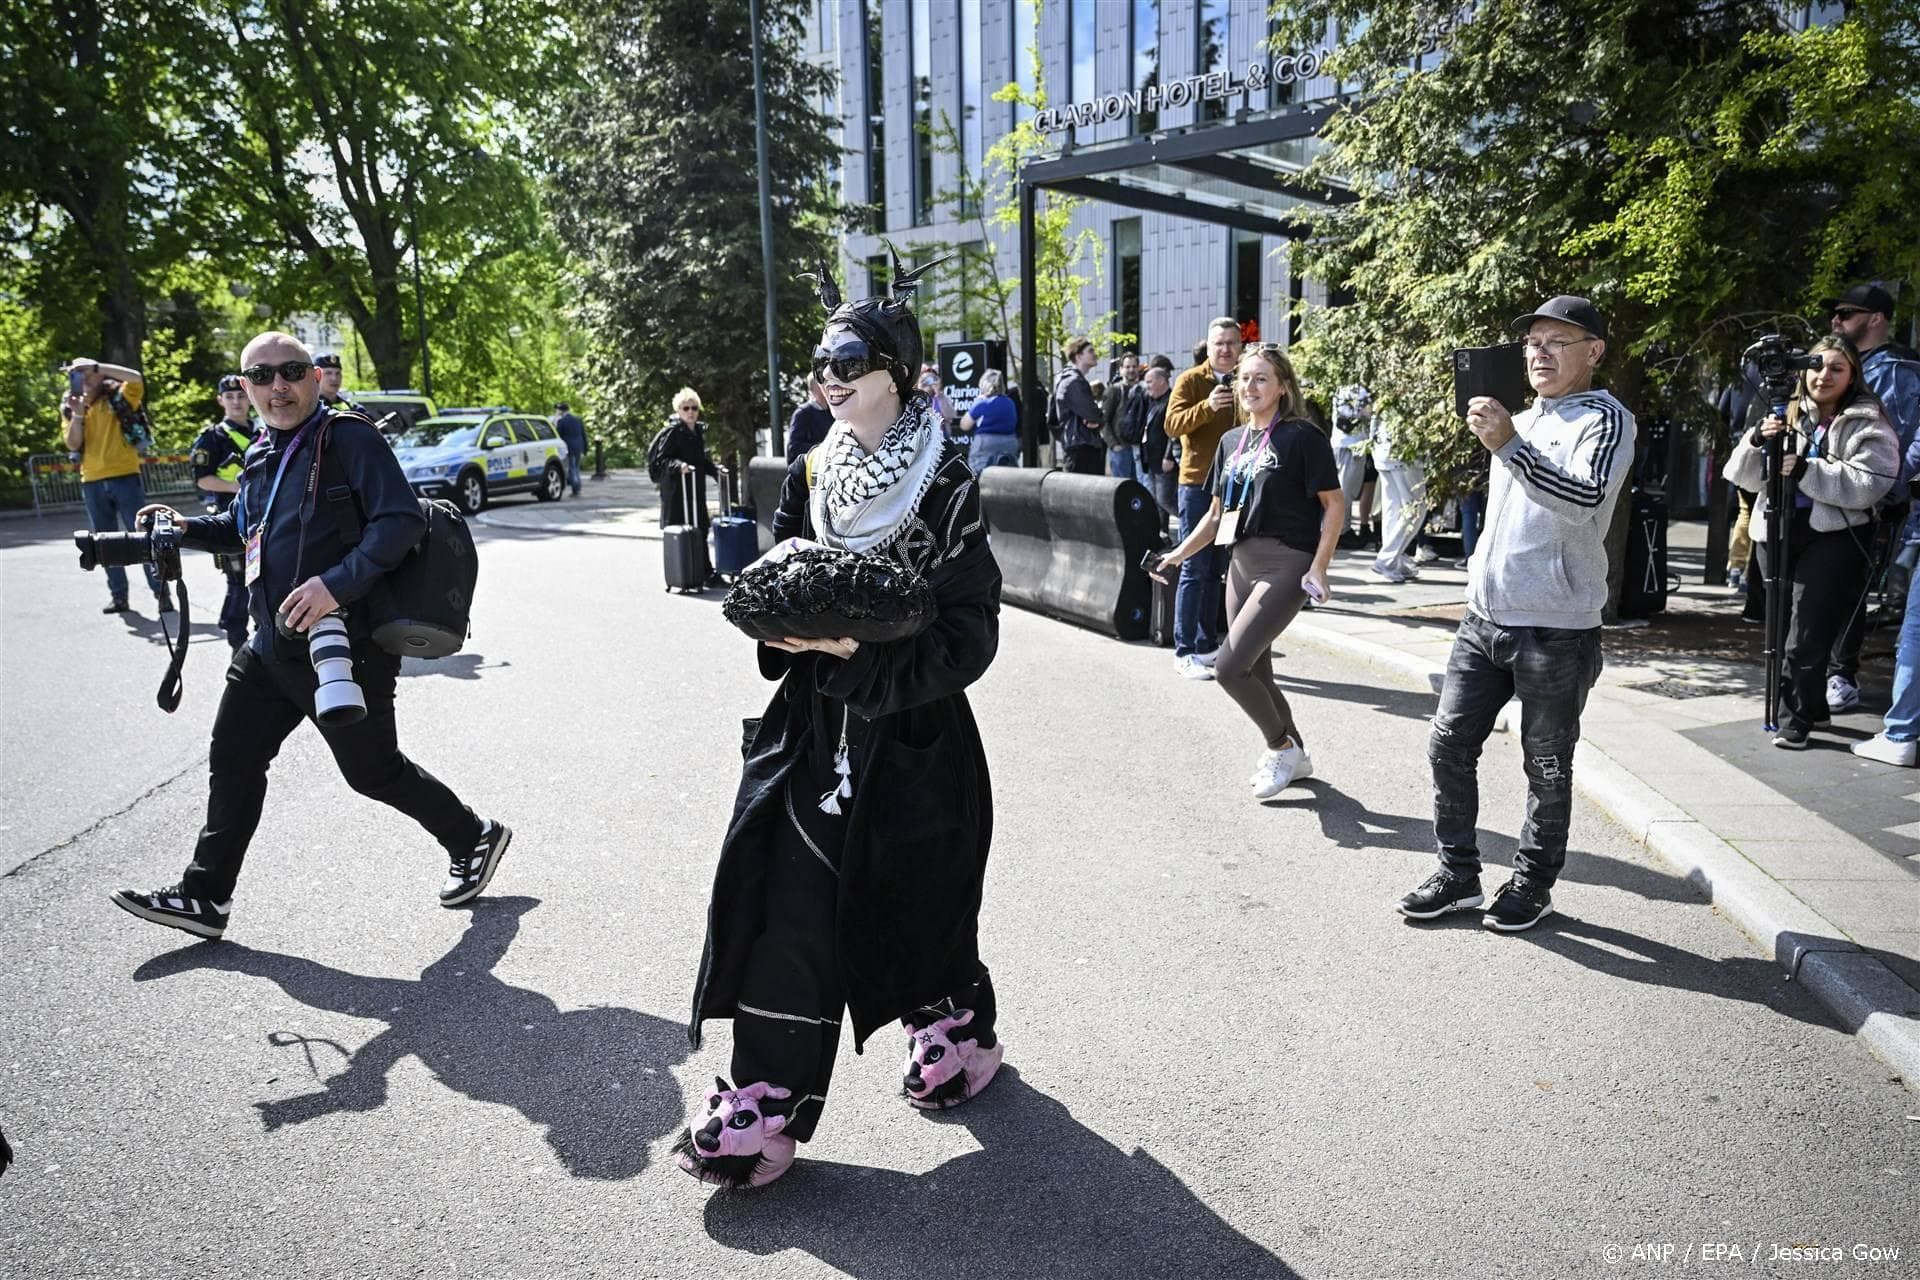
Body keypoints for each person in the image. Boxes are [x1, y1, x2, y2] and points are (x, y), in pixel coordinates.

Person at [679, 255, 1005, 1191]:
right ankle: (767, 1095)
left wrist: (870, 657)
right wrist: (785, 631)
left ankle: (955, 1025)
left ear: (897, 370)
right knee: (786, 890)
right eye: (822, 365)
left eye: (848, 360)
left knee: (919, 892)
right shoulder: (813, 469)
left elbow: (970, 632)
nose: (829, 379)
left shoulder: (947, 480)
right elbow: (775, 580)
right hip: (810, 726)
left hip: (915, 731)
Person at [107, 331, 511, 941]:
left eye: (291, 371)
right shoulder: (262, 453)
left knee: (373, 773)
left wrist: (336, 585)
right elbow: (242, 530)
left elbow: (399, 518)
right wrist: (180, 525)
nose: (278, 386)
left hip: (343, 644)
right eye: (262, 377)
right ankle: (205, 896)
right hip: (270, 643)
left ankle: (473, 835)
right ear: (245, 388)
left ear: (314, 378)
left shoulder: (348, 436)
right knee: (234, 759)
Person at [1397, 295, 1636, 933]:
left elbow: (1583, 498)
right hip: (1485, 619)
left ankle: (1533, 883)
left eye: (1559, 341)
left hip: (1557, 628)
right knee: (1447, 744)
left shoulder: (1607, 420)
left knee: (1547, 764)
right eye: (1534, 342)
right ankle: (1458, 874)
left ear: (1594, 352)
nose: (1540, 352)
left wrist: (1509, 446)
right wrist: (1509, 440)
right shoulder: (1522, 418)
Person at [1151, 345, 1344, 798]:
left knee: (1229, 667)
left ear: (1282, 387)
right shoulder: (1230, 441)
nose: (1250, 386)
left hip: (1287, 562)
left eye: (1261, 378)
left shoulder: (1302, 436)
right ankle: (1296, 753)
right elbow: (1217, 516)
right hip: (1240, 561)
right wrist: (1176, 554)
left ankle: (1279, 746)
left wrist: (1320, 566)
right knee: (1258, 672)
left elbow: (1334, 505)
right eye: (1244, 379)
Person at [1724, 334, 1899, 749]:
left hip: (1834, 536)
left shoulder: (1867, 419)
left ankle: (1794, 721)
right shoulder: (1783, 410)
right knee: (1781, 627)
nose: (1824, 376)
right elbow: (1743, 476)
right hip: (1779, 527)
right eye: (1818, 367)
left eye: (1837, 368)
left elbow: (1869, 484)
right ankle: (1813, 706)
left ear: (1853, 374)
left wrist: (1806, 471)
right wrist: (1756, 443)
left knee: (1805, 633)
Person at [1823, 285, 1920, 713]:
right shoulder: (1853, 365)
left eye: (1846, 313)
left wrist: (1888, 487)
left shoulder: (1895, 369)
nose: (1836, 321)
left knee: (1853, 588)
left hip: (1871, 499)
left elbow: (1904, 440)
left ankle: (1840, 675)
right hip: (1836, 491)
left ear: (1875, 318)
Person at [1164, 318, 1247, 679]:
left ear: (1240, 346)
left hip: (1236, 484)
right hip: (1198, 484)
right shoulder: (1191, 380)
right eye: (1219, 343)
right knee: (1194, 567)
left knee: (1216, 569)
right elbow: (1171, 424)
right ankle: (1183, 651)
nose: (1225, 349)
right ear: (1208, 347)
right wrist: (1207, 407)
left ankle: (1205, 643)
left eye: (1231, 343)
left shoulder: (1248, 379)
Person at [61, 357, 169, 615]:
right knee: (104, 542)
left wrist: (96, 367)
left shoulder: (120, 396)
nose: (84, 379)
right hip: (92, 480)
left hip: (125, 476)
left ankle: (161, 593)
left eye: (87, 374)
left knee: (143, 536)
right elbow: (73, 444)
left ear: (99, 374)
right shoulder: (71, 405)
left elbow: (136, 377)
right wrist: (77, 414)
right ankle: (119, 597)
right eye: (78, 375)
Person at [189, 374, 258, 650]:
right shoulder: (212, 438)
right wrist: (238, 487)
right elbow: (202, 479)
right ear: (221, 401)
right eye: (229, 397)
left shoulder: (262, 431)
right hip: (231, 520)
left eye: (241, 396)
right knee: (239, 583)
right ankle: (236, 641)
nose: (236, 402)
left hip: (263, 518)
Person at [1370, 403, 1428, 583]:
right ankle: (1388, 558)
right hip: (1403, 452)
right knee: (1416, 507)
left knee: (1393, 509)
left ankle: (1393, 560)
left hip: (1383, 448)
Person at [648, 388, 717, 528]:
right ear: (678, 410)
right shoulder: (673, 431)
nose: (690, 412)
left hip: (695, 490)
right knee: (682, 537)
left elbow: (699, 460)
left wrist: (715, 470)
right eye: (686, 408)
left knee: (701, 530)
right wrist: (679, 466)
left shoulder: (697, 431)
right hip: (678, 493)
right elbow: (663, 460)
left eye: (694, 408)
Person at [1050, 339, 1105, 475]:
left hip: (1076, 444)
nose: (1095, 354)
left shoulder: (1064, 379)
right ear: (1078, 356)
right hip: (1082, 447)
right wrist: (1099, 419)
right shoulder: (1074, 381)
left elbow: (1052, 419)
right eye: (1090, 351)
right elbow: (1092, 413)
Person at [1329, 384, 1375, 548]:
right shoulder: (1355, 390)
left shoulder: (1342, 388)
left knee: (1346, 489)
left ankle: (1342, 530)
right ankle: (1341, 532)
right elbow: (1352, 418)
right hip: (1351, 446)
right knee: (1347, 491)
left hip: (1346, 445)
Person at [958, 368, 1020, 471]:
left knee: (977, 475)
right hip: (1010, 442)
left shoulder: (982, 403)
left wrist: (975, 402)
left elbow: (964, 425)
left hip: (986, 442)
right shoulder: (1010, 402)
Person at [1138, 359, 1177, 517]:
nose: (1146, 386)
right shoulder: (1152, 400)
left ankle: (1193, 526)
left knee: (1165, 499)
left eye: (1149, 382)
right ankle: (1163, 535)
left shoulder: (1171, 400)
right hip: (1151, 459)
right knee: (1156, 502)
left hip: (1164, 460)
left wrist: (1169, 456)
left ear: (1162, 381)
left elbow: (1174, 431)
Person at [1102, 352, 1144, 480]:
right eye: (1127, 367)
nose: (1131, 370)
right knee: (1123, 489)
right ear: (1121, 370)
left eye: (1134, 366)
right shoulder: (1113, 390)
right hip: (1121, 449)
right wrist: (1114, 445)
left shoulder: (1143, 390)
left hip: (1139, 449)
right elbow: (1104, 420)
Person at [785, 374, 835, 462]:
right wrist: (823, 448)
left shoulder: (833, 412)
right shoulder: (803, 413)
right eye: (824, 383)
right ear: (816, 389)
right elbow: (794, 447)